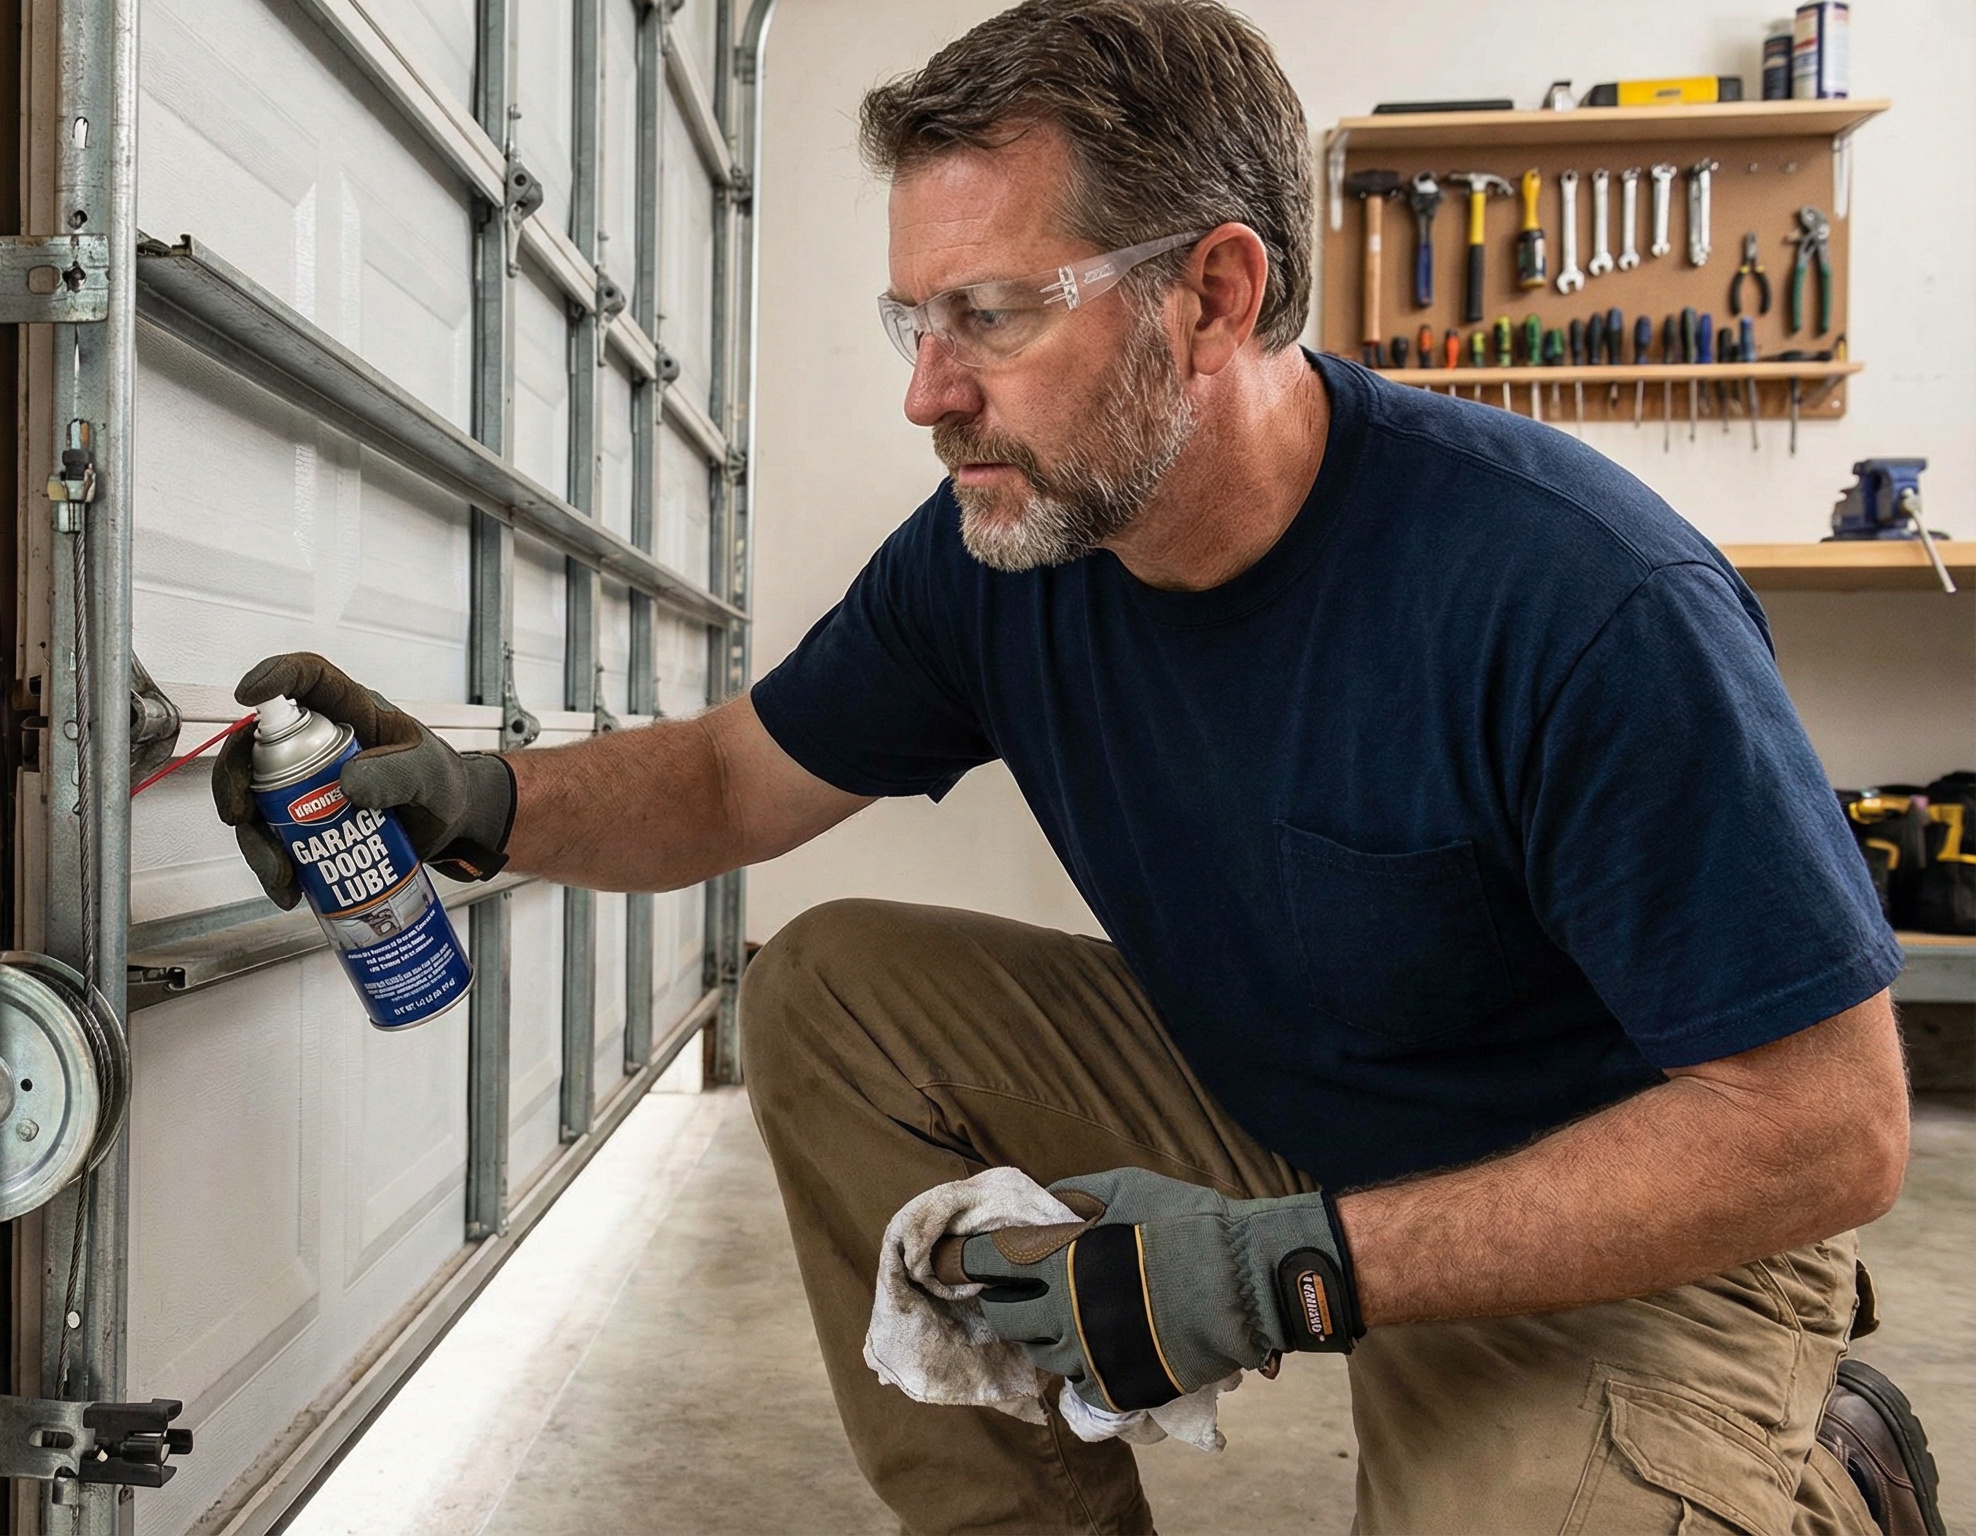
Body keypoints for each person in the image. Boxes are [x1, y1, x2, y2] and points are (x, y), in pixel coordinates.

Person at [210, 2, 1946, 1530]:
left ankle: (1818, 1480)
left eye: (993, 315)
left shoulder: (1572, 597)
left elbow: (1827, 1128)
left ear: (1216, 293)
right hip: (1286, 1111)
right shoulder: (1003, 550)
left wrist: (1300, 1273)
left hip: (1625, 1228)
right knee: (831, 992)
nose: (930, 395)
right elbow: (744, 781)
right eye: (914, 321)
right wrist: (480, 803)